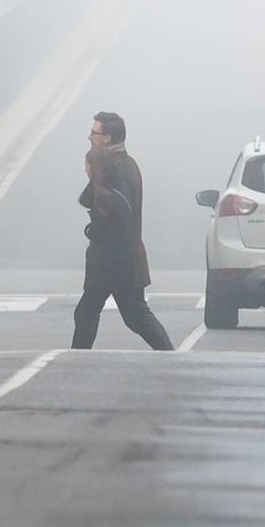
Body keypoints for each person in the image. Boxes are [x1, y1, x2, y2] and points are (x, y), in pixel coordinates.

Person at [72, 111, 175, 351]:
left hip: (116, 257)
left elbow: (115, 209)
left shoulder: (118, 168)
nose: (89, 137)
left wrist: (98, 229)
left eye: (94, 133)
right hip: (119, 257)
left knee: (127, 314)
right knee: (127, 314)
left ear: (106, 138)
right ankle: (168, 354)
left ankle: (76, 360)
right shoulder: (117, 164)